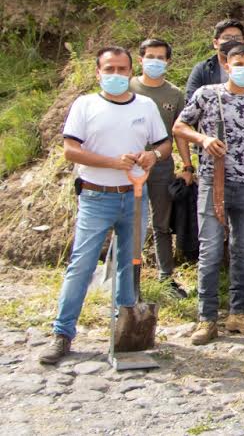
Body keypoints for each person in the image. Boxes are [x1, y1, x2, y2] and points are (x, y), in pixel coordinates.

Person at [40, 47, 170, 365]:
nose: (115, 75)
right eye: (108, 69)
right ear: (98, 73)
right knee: (81, 266)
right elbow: (71, 150)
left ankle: (124, 331)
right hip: (96, 196)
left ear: (130, 72)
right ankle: (62, 333)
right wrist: (113, 162)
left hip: (134, 196)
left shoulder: (146, 105)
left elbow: (163, 143)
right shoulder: (85, 105)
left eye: (121, 69)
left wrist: (154, 155)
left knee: (130, 264)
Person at [173, 45, 244, 345]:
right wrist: (203, 138)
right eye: (238, 63)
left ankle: (238, 313)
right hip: (211, 182)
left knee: (243, 249)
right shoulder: (207, 94)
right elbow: (180, 126)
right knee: (211, 250)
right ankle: (206, 318)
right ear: (227, 65)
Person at [129, 39, 191, 297]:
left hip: (162, 163)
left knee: (162, 224)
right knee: (129, 223)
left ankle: (166, 278)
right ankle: (129, 280)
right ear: (141, 59)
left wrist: (188, 165)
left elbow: (180, 132)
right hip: (127, 164)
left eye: (160, 57)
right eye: (149, 56)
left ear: (168, 62)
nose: (155, 61)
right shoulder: (128, 87)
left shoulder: (174, 94)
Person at [185, 19, 244, 106]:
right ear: (215, 43)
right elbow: (191, 100)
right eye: (227, 38)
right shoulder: (203, 70)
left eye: (237, 38)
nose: (233, 41)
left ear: (243, 42)